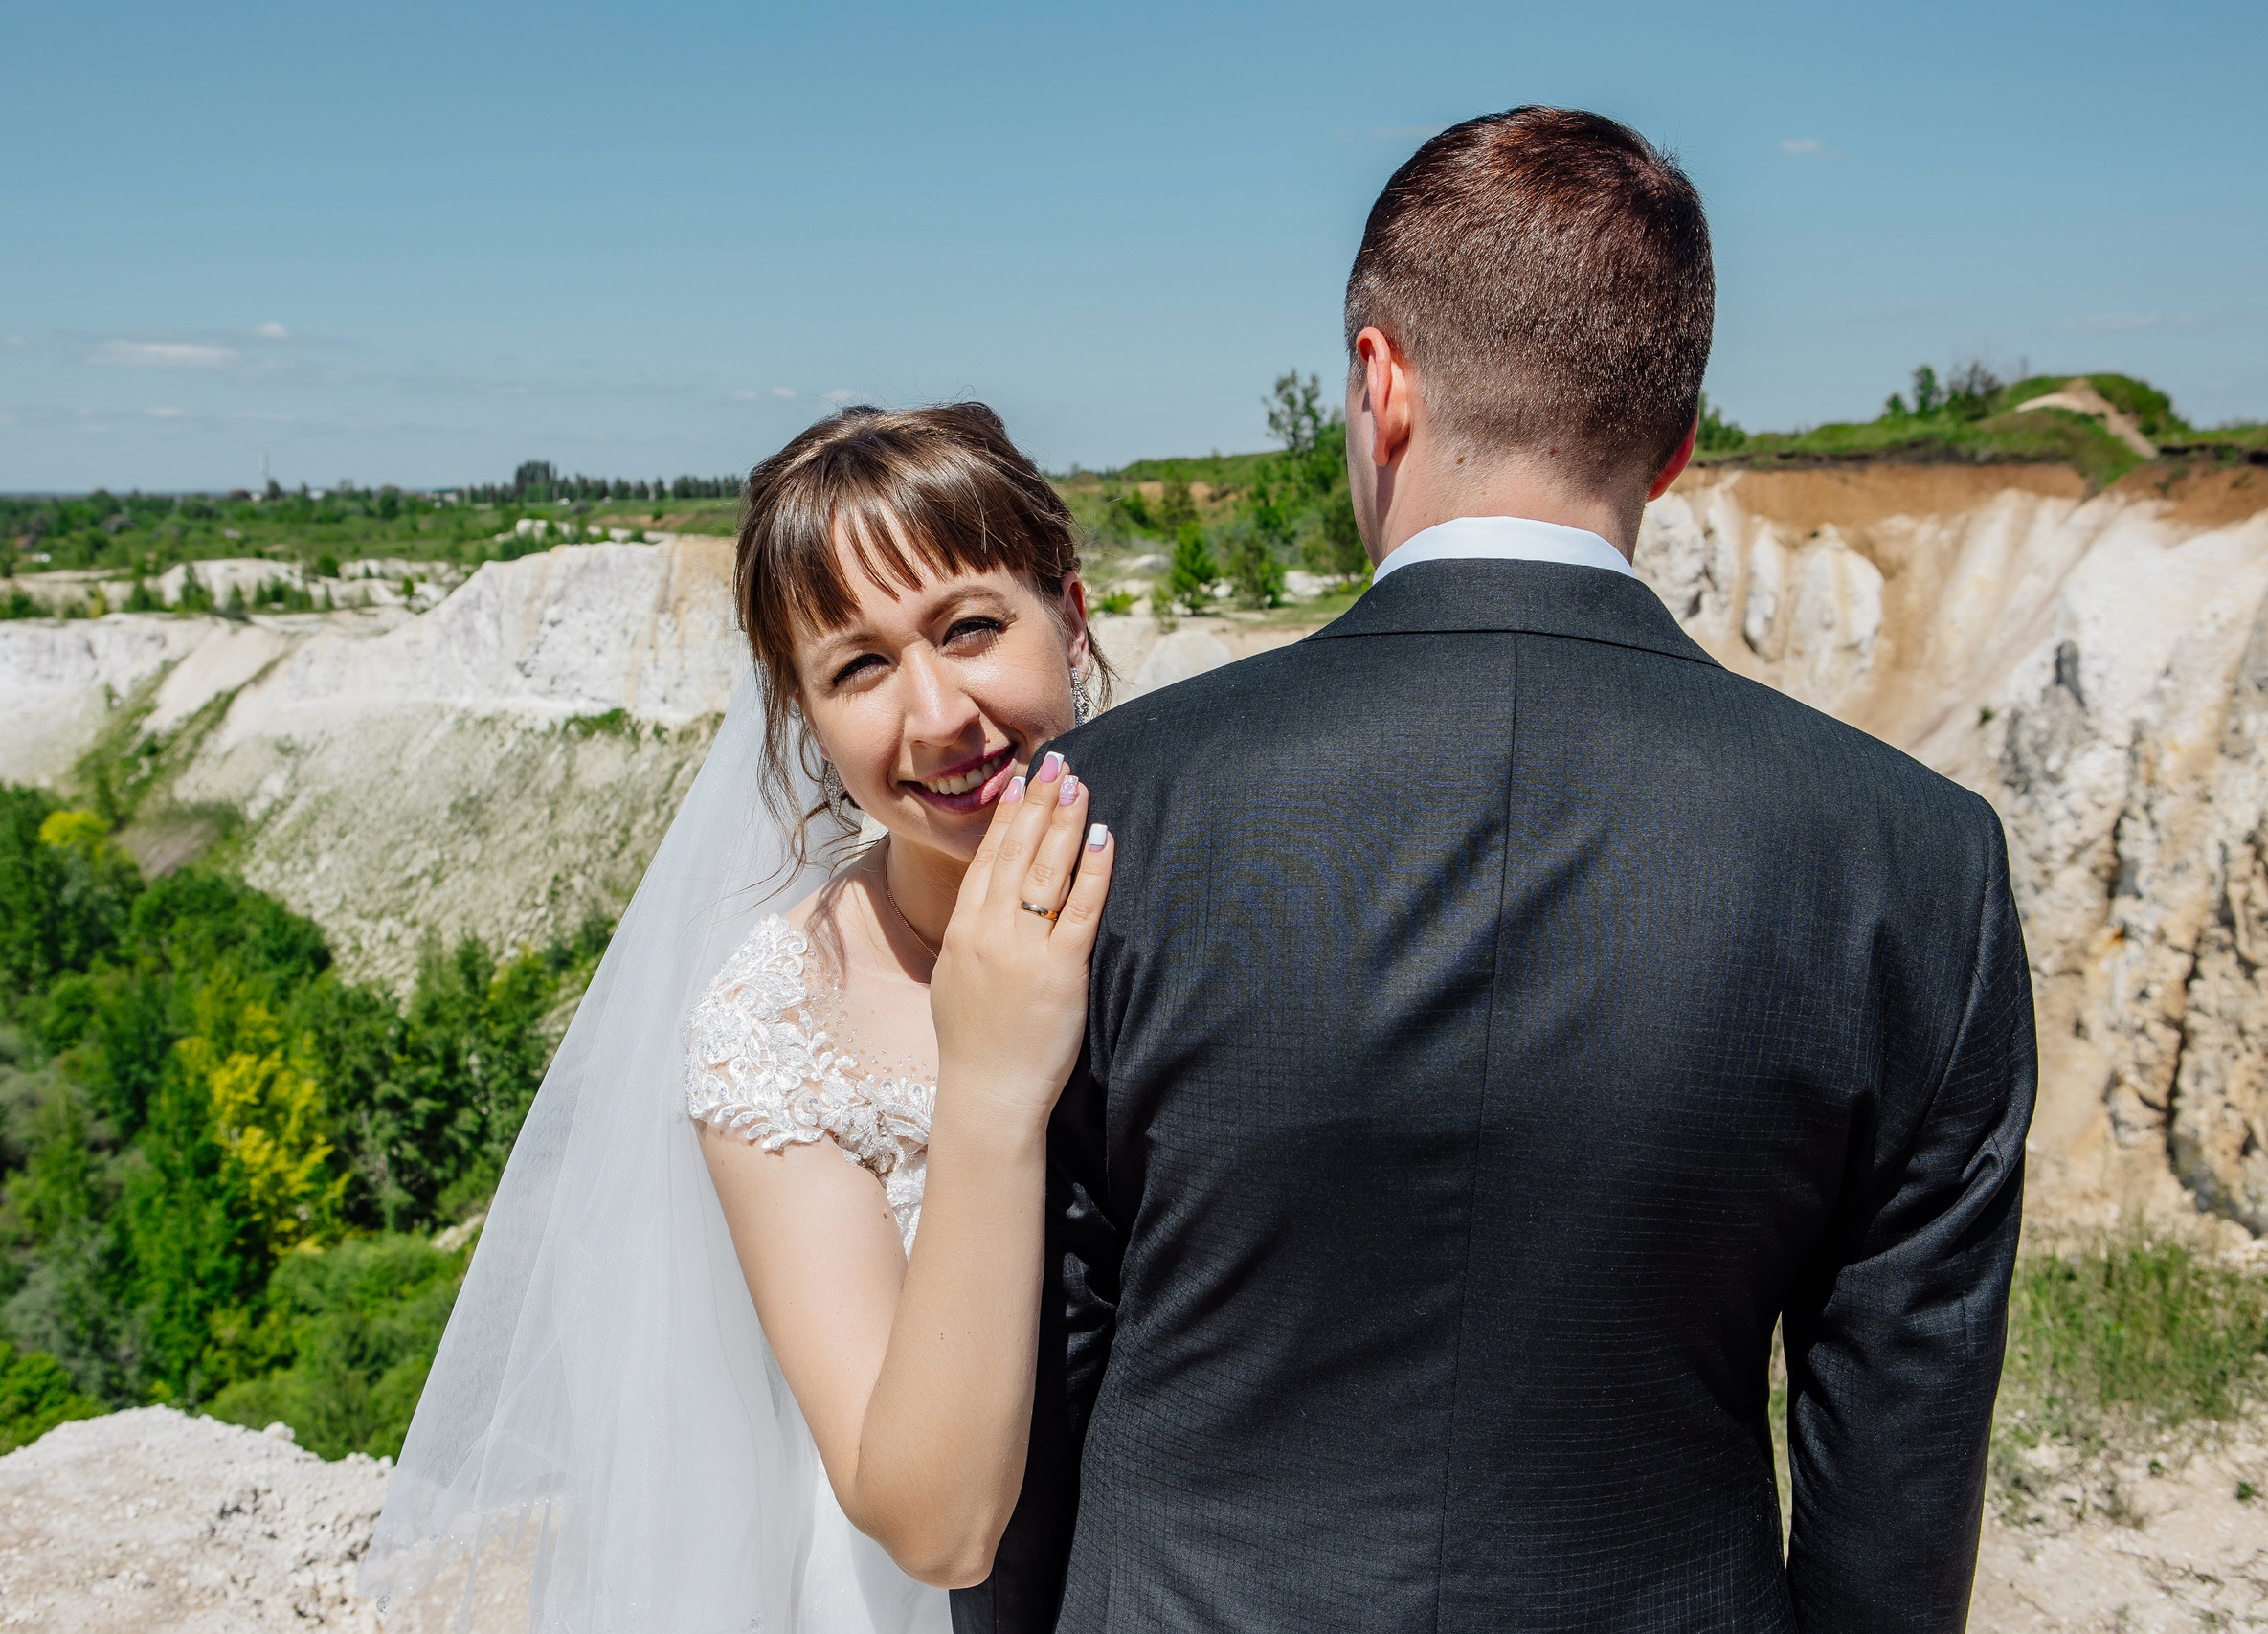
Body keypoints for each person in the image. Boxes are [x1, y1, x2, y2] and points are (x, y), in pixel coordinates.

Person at [977, 107, 2038, 1632]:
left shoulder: (1104, 806)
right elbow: (1896, 1484)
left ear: (1379, 381)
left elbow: (1030, 1381)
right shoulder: (1918, 864)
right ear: (1676, 445)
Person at [362, 403, 1119, 1633]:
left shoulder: (1238, 894)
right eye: (859, 667)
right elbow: (933, 1527)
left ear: (1071, 618)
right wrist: (986, 1081)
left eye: (971, 627)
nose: (936, 716)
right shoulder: (776, 1025)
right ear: (807, 718)